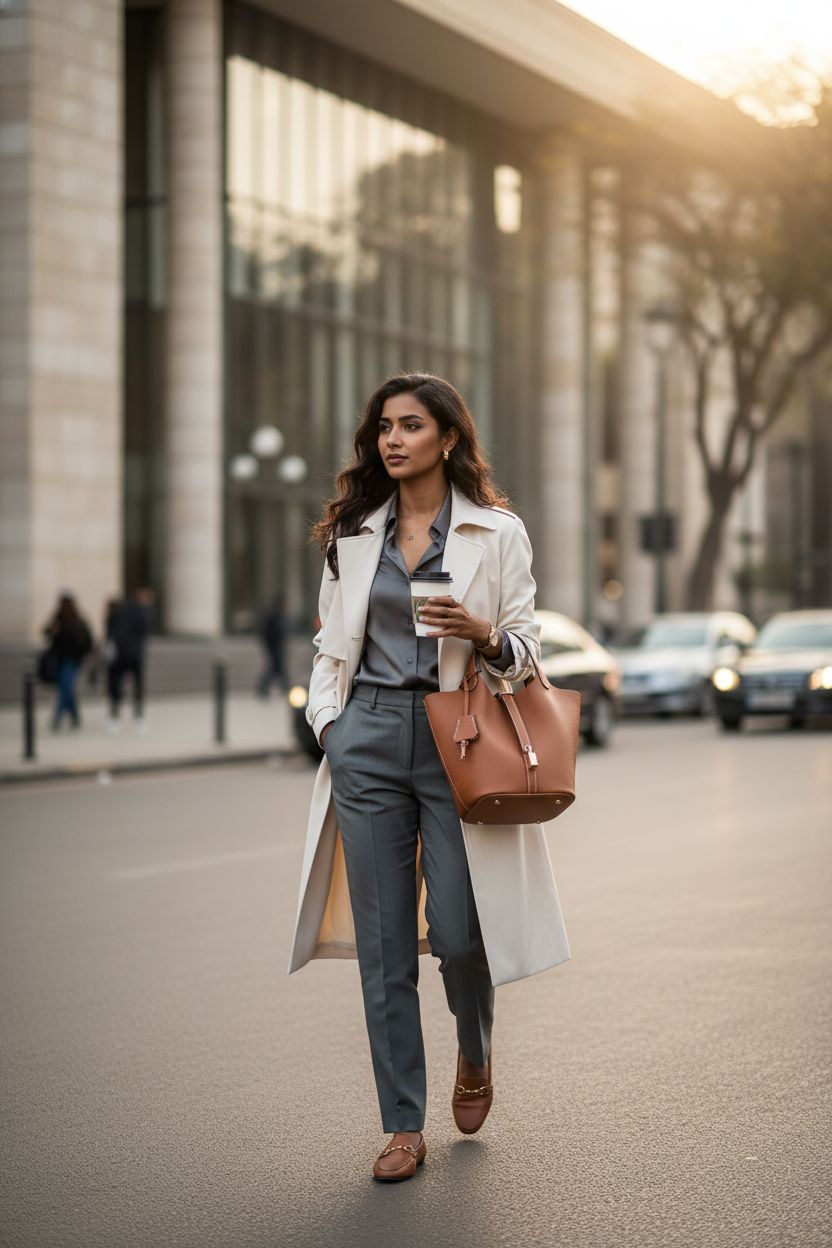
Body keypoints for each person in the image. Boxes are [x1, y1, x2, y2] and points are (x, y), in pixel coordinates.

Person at [288, 373, 570, 1181]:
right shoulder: (352, 531)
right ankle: (402, 1126)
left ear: (448, 438)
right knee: (384, 948)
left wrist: (482, 634)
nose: (392, 439)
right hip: (368, 735)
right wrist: (332, 728)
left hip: (460, 734)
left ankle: (475, 1051)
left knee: (456, 932)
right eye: (383, 426)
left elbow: (526, 656)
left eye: (411, 425)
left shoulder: (496, 533)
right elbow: (328, 647)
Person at [42, 591, 94, 731]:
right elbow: (45, 632)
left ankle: (57, 717)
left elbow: (88, 641)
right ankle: (75, 716)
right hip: (59, 659)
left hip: (72, 660)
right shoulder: (57, 619)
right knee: (67, 688)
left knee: (65, 687)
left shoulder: (78, 621)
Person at [105, 587, 154, 734]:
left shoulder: (116, 612)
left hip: (119, 655)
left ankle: (115, 718)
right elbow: (145, 633)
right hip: (133, 655)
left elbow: (110, 633)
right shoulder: (141, 612)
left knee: (116, 687)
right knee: (137, 687)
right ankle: (138, 718)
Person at [256, 594, 288, 698]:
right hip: (274, 647)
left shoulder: (277, 615)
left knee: (277, 668)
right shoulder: (274, 616)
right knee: (275, 668)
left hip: (276, 646)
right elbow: (269, 633)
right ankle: (283, 687)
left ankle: (284, 687)